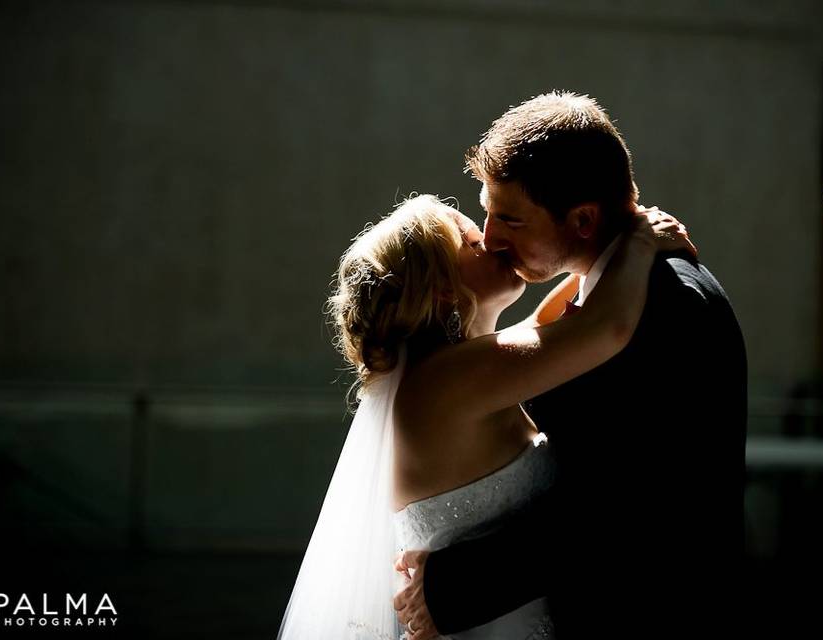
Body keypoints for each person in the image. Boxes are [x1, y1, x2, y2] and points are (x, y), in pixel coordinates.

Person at [393, 92, 747, 640]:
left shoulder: (669, 308)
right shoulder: (609, 296)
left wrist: (451, 587)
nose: (490, 239)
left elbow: (624, 512)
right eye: (484, 215)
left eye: (508, 218)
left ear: (582, 219)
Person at [277, 187, 695, 639]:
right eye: (475, 244)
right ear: (440, 285)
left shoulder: (455, 371)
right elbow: (605, 328)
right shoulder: (450, 380)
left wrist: (607, 242)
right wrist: (640, 241)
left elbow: (544, 323)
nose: (495, 245)